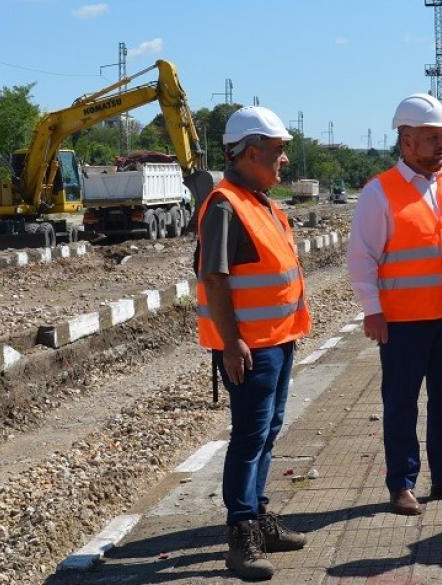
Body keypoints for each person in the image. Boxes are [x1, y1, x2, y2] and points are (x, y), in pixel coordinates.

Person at [347, 93, 442, 516]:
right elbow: (361, 257)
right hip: (401, 321)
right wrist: (372, 310)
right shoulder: (380, 193)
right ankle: (402, 484)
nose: (441, 145)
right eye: (432, 138)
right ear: (407, 141)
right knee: (400, 403)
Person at [195, 105, 311, 580]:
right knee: (248, 437)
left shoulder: (260, 200)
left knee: (268, 431)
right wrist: (231, 342)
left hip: (278, 341)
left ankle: (260, 518)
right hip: (251, 347)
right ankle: (241, 532)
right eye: (279, 151)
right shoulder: (225, 204)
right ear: (249, 153)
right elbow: (215, 278)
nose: (285, 161)